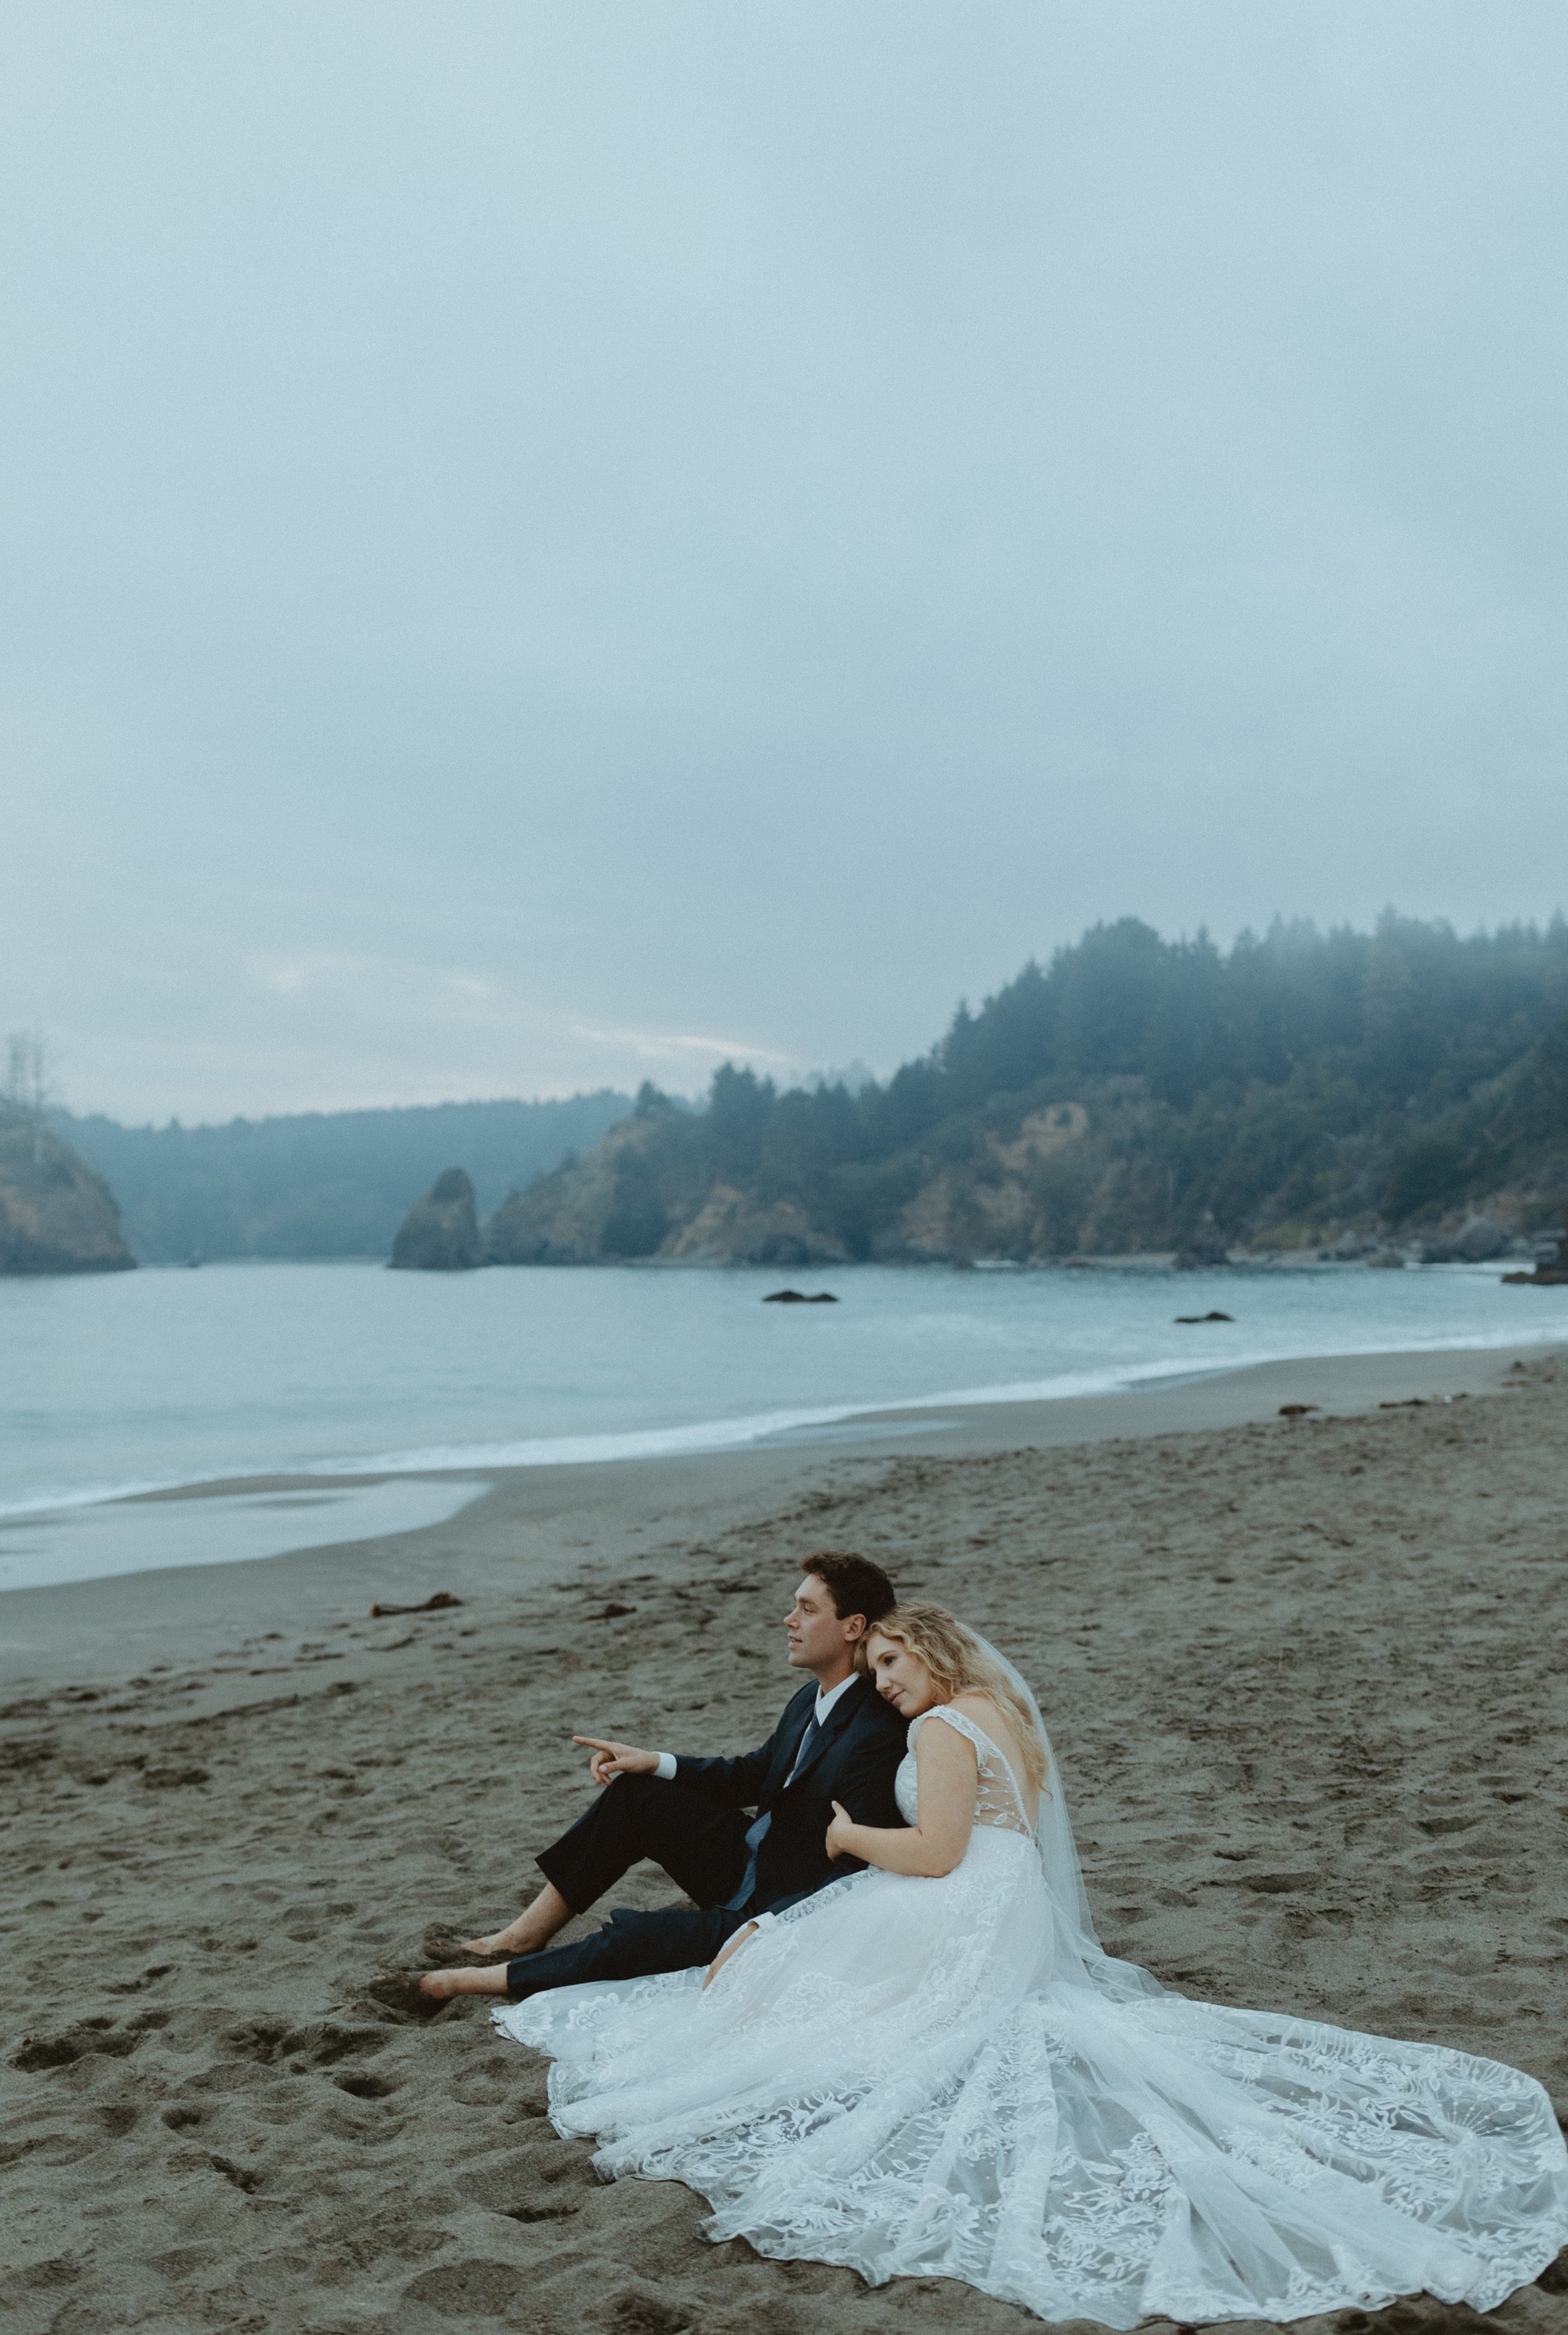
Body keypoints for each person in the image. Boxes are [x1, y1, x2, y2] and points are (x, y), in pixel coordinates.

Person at [484, 1602, 1568, 2329]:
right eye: (878, 1671)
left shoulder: (945, 1727)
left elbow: (942, 1849)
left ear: (934, 1651)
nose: (889, 1684)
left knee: (804, 1995)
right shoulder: (1001, 1712)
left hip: (966, 1898)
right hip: (1016, 1905)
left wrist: (856, 1842)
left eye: (895, 1662)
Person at [407, 1550, 908, 2005]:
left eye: (807, 1608)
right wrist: (655, 1760)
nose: (789, 1618)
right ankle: (522, 1935)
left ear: (852, 1626)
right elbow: (754, 1775)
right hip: (749, 1862)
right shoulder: (810, 1697)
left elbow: (860, 1874)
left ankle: (463, 1982)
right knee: (637, 1794)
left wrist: (760, 1927)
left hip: (778, 1908)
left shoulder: (875, 1732)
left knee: (638, 1936)